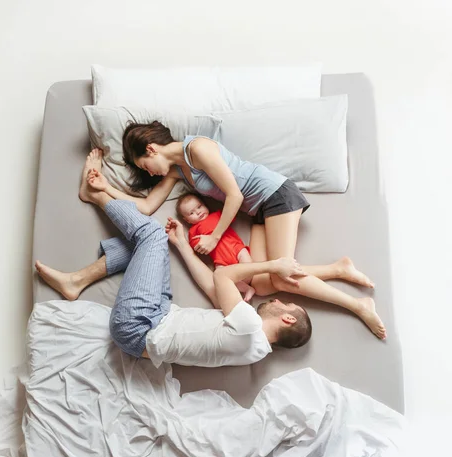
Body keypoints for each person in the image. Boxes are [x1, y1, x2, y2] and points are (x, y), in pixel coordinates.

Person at [92, 121, 387, 340]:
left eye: (144, 165)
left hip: (275, 195)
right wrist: (105, 187)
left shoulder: (197, 148)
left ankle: (357, 304)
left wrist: (214, 236)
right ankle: (337, 268)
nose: (148, 172)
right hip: (259, 209)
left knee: (280, 279)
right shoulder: (176, 170)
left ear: (151, 148)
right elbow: (147, 206)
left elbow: (234, 195)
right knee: (261, 284)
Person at [35, 152, 313, 369]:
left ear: (287, 319)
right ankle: (76, 281)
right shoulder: (253, 349)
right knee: (148, 250)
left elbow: (222, 275)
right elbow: (213, 288)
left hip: (140, 326)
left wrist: (273, 265)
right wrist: (182, 244)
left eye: (284, 304)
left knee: (152, 234)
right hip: (158, 315)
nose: (277, 300)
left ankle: (94, 195)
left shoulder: (250, 326)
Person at [176, 191, 255, 302]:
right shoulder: (193, 231)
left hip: (237, 248)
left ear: (205, 205)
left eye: (199, 207)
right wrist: (199, 244)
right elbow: (196, 246)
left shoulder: (218, 215)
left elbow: (231, 215)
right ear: (187, 220)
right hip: (220, 260)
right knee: (219, 278)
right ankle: (246, 289)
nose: (198, 212)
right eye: (191, 213)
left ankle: (245, 282)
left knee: (249, 266)